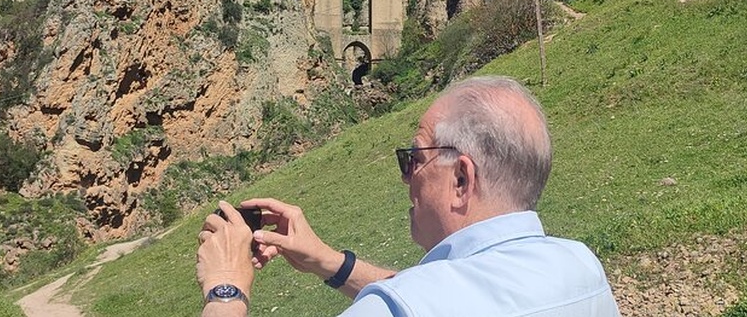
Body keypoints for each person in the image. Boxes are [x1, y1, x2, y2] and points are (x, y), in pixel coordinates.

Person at [197, 76, 621, 316]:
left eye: (414, 159)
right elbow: (451, 296)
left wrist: (226, 289)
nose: (406, 178)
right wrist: (330, 263)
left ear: (461, 179)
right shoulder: (582, 267)